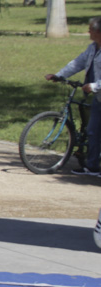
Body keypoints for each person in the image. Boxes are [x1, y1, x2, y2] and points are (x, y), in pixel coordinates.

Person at [45, 16, 101, 176]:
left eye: (91, 29)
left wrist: (95, 86)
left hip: (97, 90)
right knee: (92, 130)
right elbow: (77, 63)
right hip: (99, 97)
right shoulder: (92, 48)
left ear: (98, 32)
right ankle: (92, 167)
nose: (88, 31)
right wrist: (59, 75)